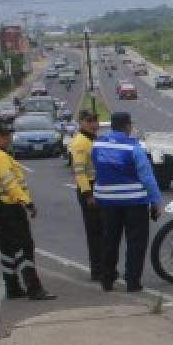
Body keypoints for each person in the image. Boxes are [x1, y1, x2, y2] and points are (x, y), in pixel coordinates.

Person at [0, 120, 56, 300]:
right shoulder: (0, 157)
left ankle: (12, 287)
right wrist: (27, 202)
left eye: (8, 135)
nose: (7, 138)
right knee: (24, 247)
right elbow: (11, 184)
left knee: (7, 249)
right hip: (8, 207)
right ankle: (34, 288)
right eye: (3, 135)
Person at [91, 112, 162, 293]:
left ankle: (107, 279)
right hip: (134, 202)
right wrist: (156, 201)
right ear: (127, 126)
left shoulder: (98, 145)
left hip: (106, 202)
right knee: (136, 242)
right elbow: (147, 177)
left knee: (109, 240)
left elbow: (97, 167)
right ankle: (132, 281)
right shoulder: (134, 148)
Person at [69, 110, 103, 282]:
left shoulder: (93, 139)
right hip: (88, 189)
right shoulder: (80, 142)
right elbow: (80, 172)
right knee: (94, 232)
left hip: (99, 187)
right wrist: (88, 195)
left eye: (95, 120)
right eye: (89, 120)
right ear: (81, 122)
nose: (93, 123)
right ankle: (97, 270)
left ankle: (103, 267)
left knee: (102, 231)